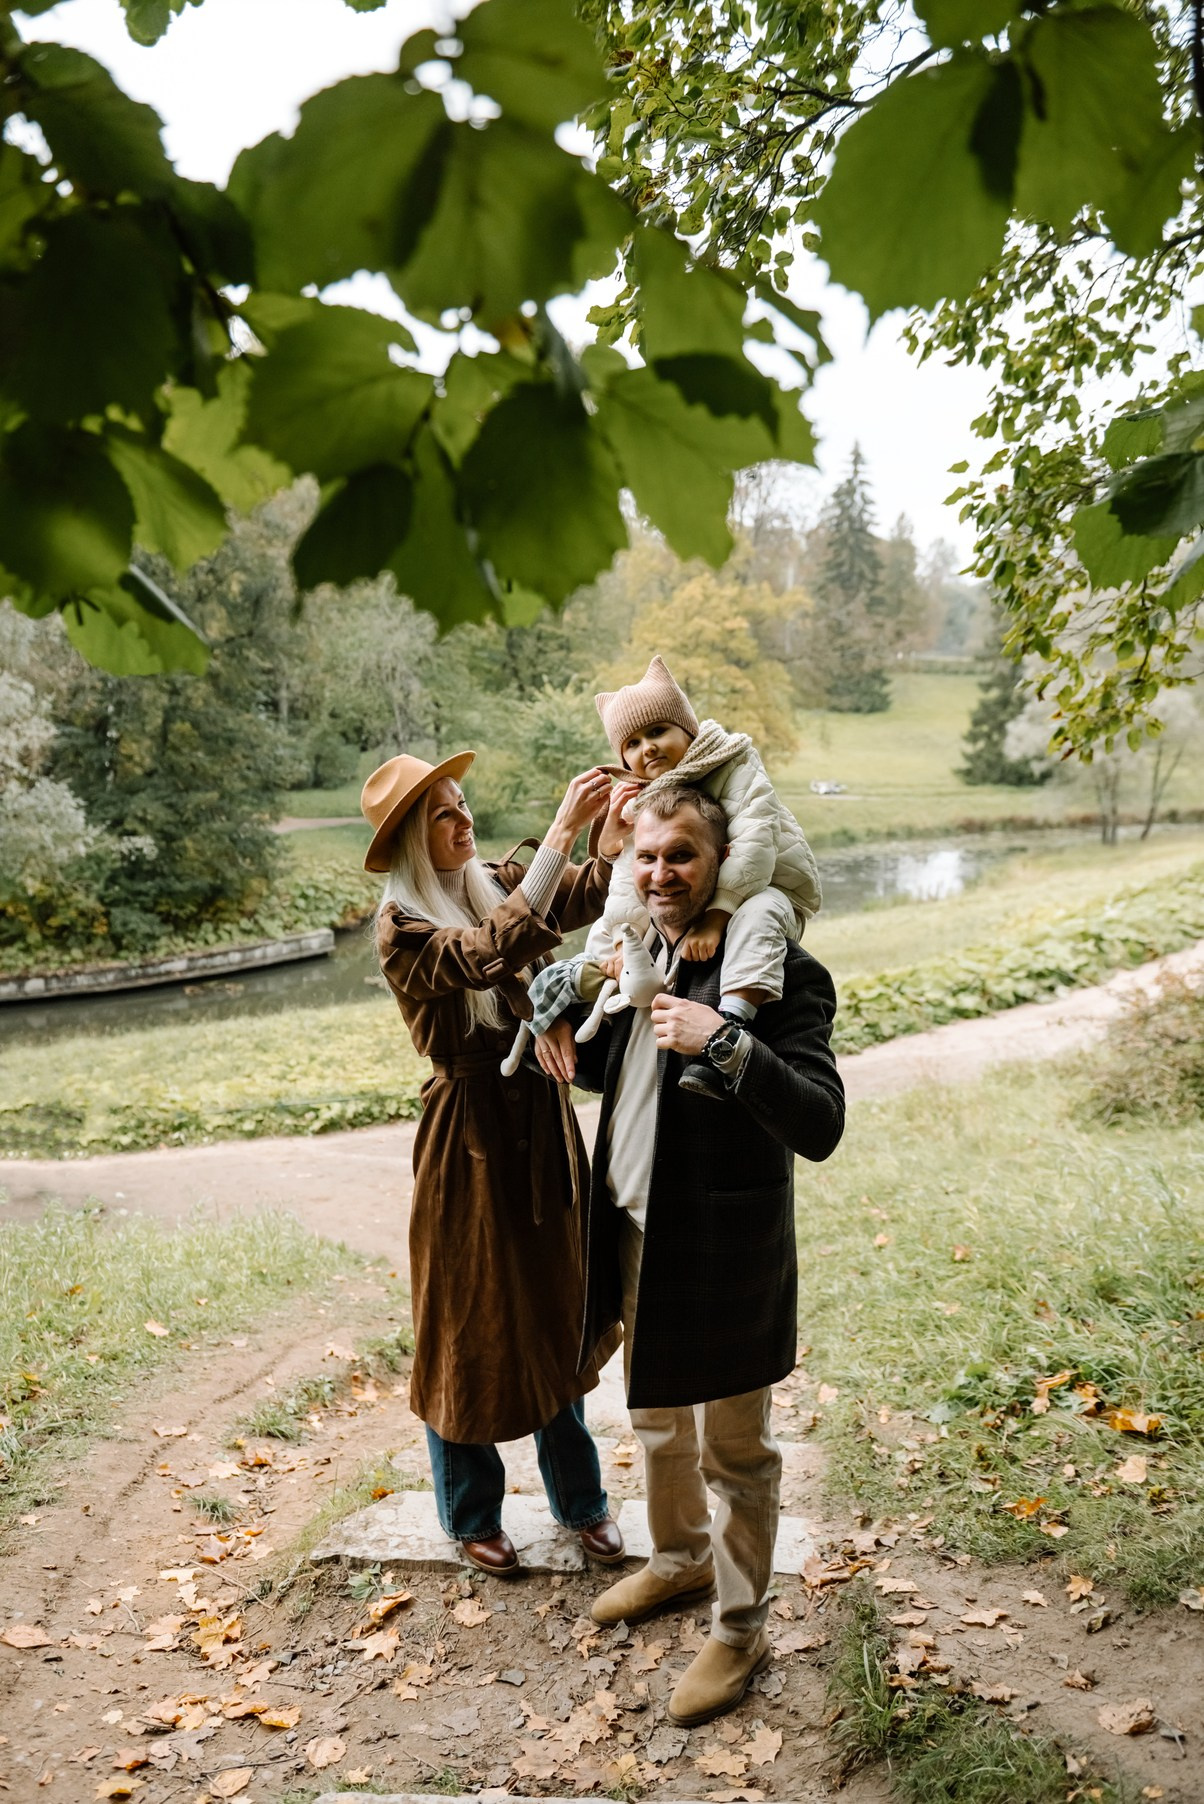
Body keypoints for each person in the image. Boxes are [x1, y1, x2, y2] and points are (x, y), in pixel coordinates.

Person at [559, 786, 845, 1724]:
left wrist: (723, 1039)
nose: (659, 873)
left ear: (719, 861)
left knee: (736, 1449)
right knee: (653, 1420)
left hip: (725, 1246)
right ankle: (676, 1560)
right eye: (644, 857)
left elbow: (820, 1121)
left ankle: (738, 1627)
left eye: (679, 855)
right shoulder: (634, 954)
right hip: (637, 1232)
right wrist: (573, 1026)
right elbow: (625, 1078)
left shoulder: (781, 973)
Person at [363, 749, 634, 1576]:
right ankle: (470, 1511)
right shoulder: (403, 927)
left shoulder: (488, 879)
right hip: (468, 1136)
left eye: (462, 802)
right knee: (466, 1320)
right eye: (443, 812)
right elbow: (485, 953)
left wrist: (614, 847)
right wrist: (559, 834)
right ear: (413, 836)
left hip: (538, 1121)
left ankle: (580, 1502)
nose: (463, 818)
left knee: (553, 1303)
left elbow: (569, 896)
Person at [524, 653, 823, 1099]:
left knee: (759, 914)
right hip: (701, 907)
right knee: (632, 950)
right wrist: (614, 946)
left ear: (688, 728)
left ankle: (731, 1026)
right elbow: (627, 881)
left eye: (658, 730)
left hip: (770, 885)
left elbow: (754, 844)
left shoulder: (733, 763)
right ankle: (590, 1008)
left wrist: (718, 915)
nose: (648, 748)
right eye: (633, 742)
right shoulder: (647, 799)